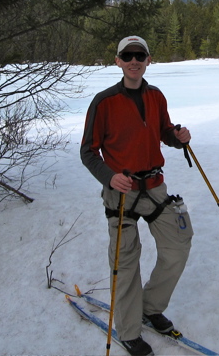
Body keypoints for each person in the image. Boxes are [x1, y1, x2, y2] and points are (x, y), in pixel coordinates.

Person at [80, 35, 193, 356]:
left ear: (148, 60)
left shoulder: (156, 96)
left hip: (156, 187)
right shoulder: (104, 102)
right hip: (122, 192)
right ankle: (129, 331)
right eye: (127, 55)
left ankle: (150, 306)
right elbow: (88, 152)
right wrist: (110, 177)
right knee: (126, 262)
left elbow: (162, 131)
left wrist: (177, 136)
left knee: (179, 245)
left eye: (139, 55)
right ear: (117, 61)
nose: (133, 60)